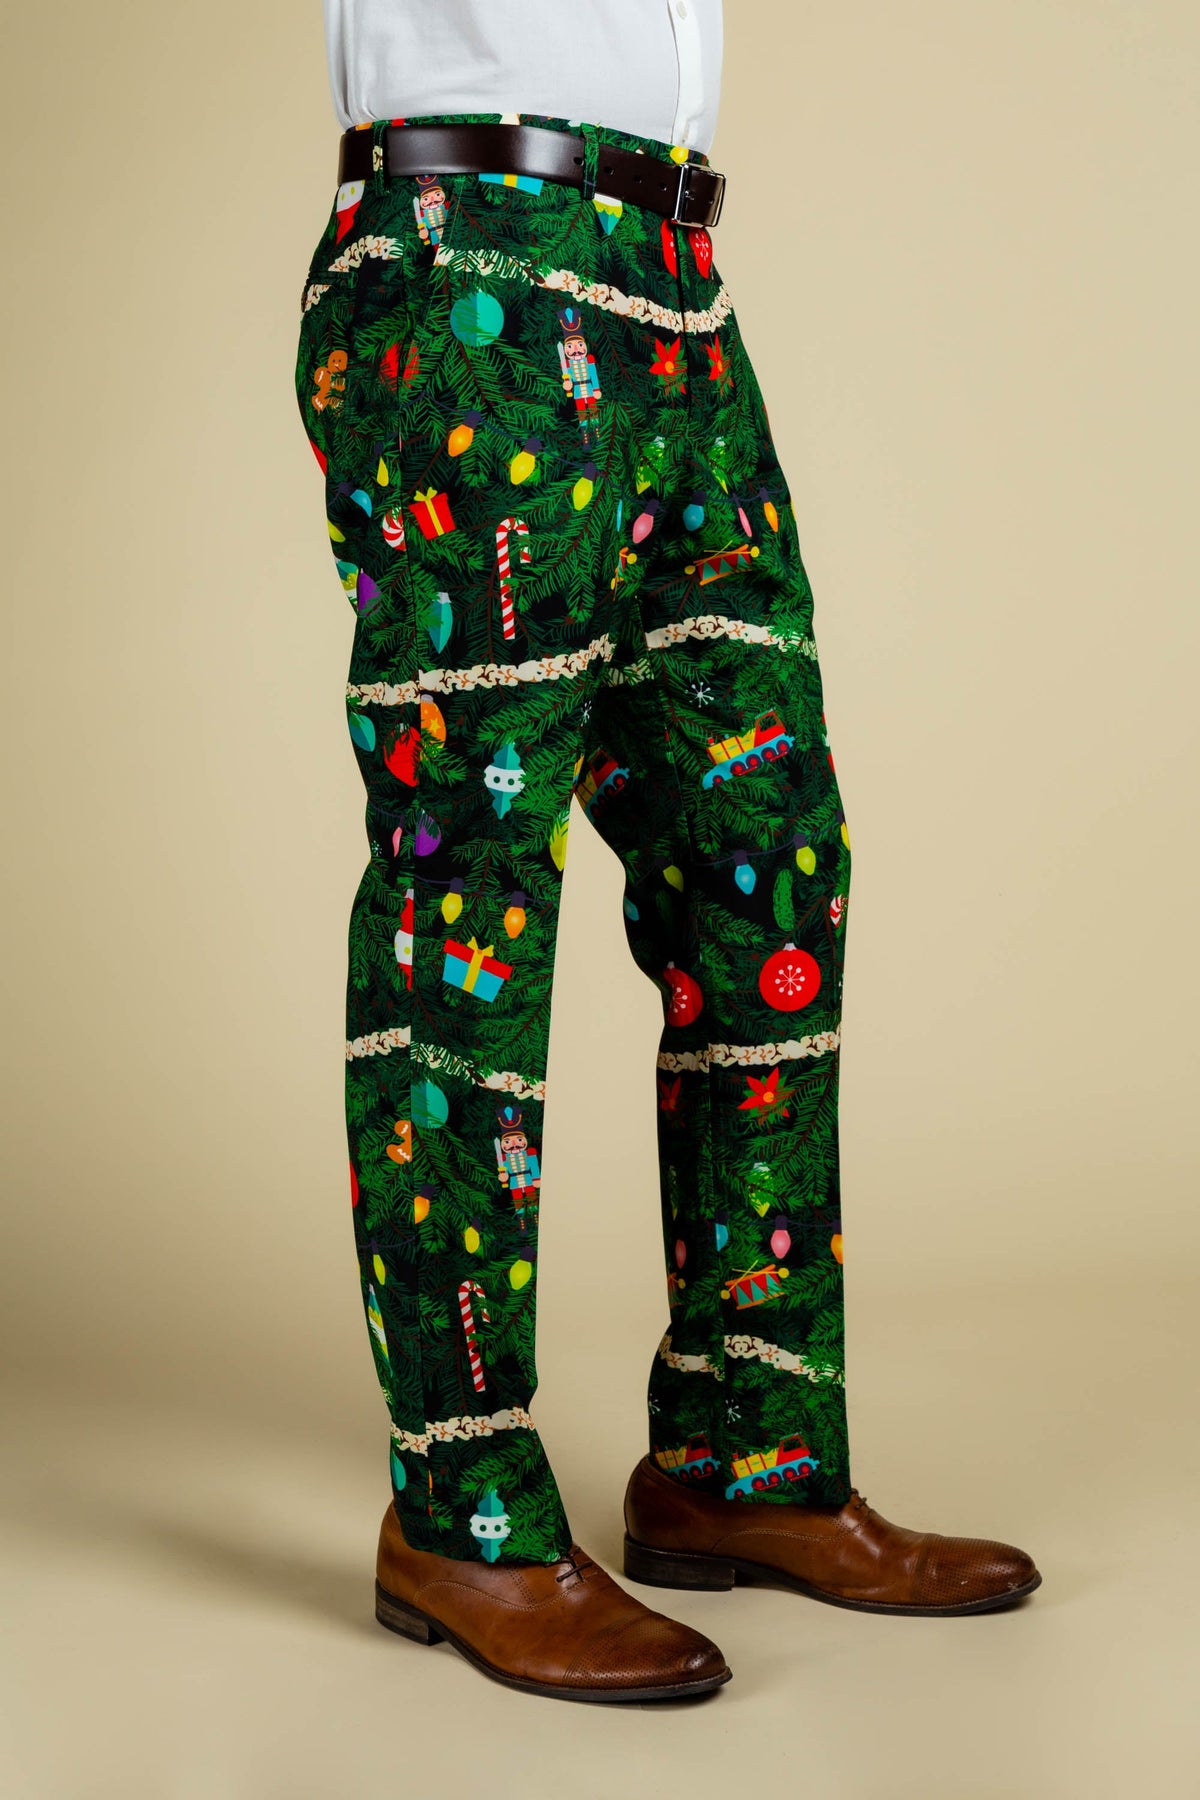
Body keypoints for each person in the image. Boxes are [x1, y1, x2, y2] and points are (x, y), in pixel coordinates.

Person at [294, 0, 1041, 1704]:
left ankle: (744, 1455)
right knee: (472, 881)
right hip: (470, 250)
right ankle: (464, 1513)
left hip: (679, 277)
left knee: (765, 861)